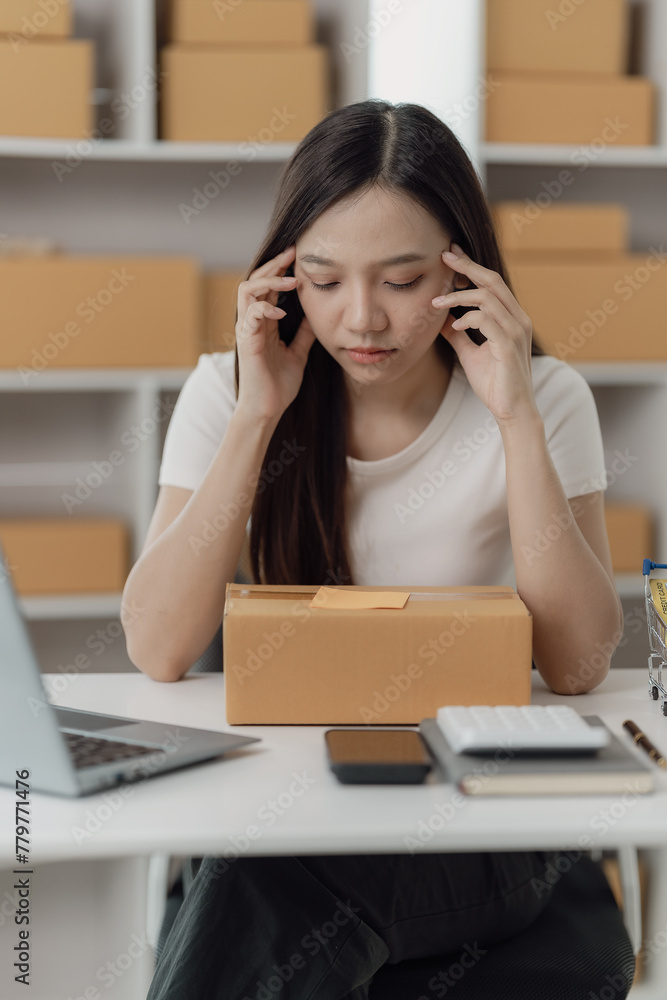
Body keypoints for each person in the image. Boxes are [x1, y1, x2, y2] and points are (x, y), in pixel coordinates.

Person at [122, 99, 625, 999]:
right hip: (299, 797)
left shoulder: (544, 398)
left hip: (481, 821)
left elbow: (580, 664)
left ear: (463, 272)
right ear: (282, 279)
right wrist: (254, 412)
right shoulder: (228, 391)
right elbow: (158, 647)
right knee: (266, 872)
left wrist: (511, 417)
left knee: (265, 882)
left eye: (401, 282)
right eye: (322, 280)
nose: (362, 319)